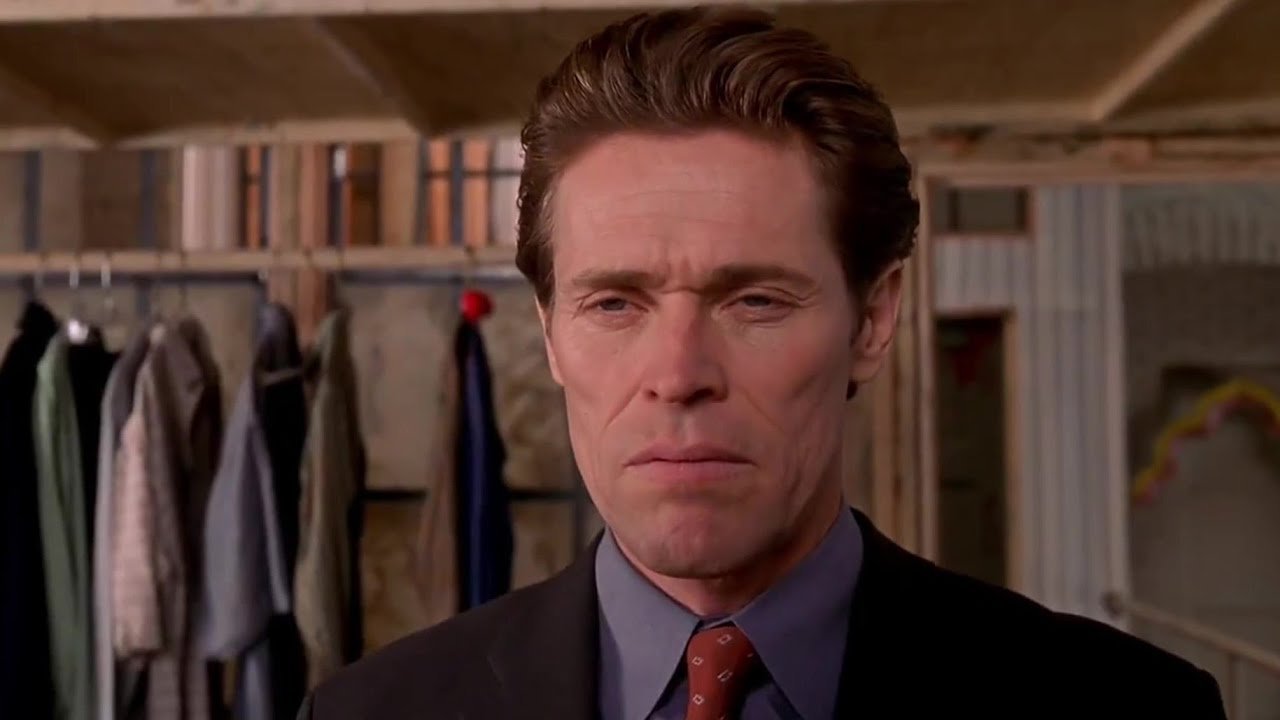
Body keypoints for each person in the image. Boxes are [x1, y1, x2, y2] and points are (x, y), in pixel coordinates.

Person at [298, 6, 1226, 719]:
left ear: (874, 318)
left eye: (754, 301)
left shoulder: (1126, 706)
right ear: (549, 335)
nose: (678, 374)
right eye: (615, 303)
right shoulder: (371, 713)